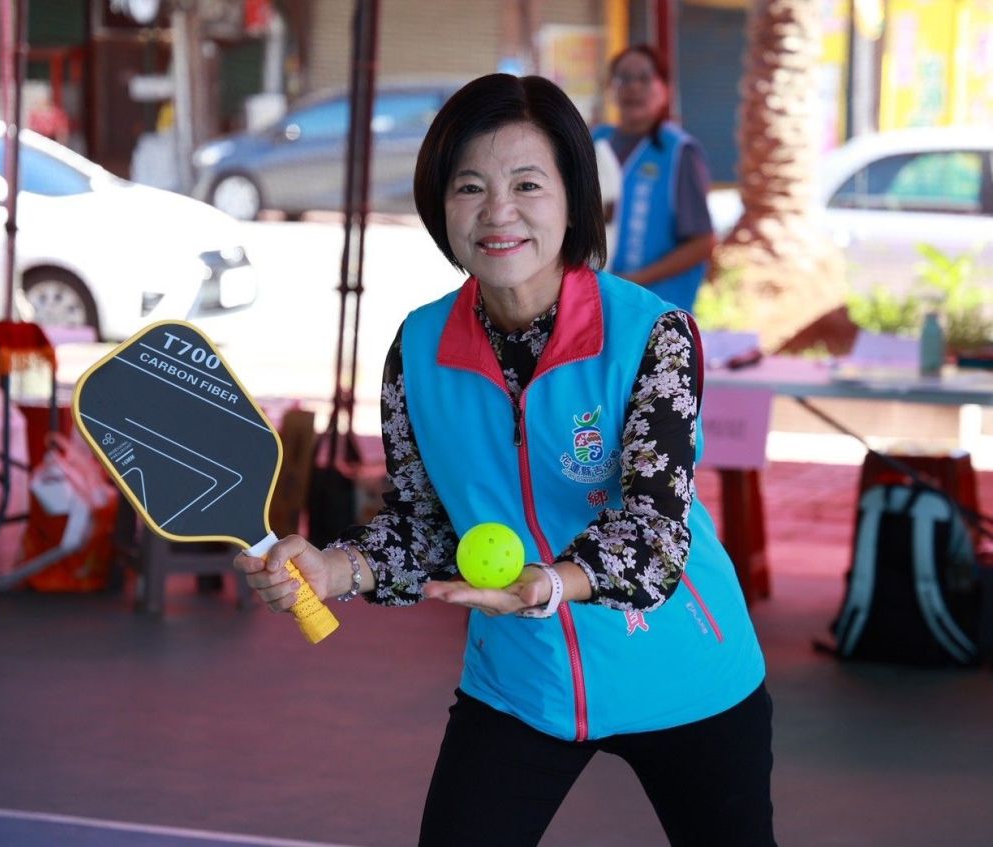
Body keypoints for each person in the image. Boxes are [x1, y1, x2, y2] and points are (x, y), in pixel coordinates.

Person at [234, 73, 775, 847]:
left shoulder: (651, 335)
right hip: (522, 681)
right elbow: (424, 525)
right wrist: (334, 568)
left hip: (685, 673)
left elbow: (656, 534)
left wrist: (550, 584)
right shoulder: (417, 349)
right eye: (470, 187)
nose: (498, 211)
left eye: (527, 184)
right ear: (439, 204)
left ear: (573, 199)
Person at [592, 44, 717, 315]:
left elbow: (702, 243)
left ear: (665, 89)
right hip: (598, 305)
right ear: (611, 88)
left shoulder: (679, 152)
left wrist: (633, 281)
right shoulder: (594, 142)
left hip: (657, 312)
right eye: (623, 78)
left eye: (644, 78)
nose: (633, 87)